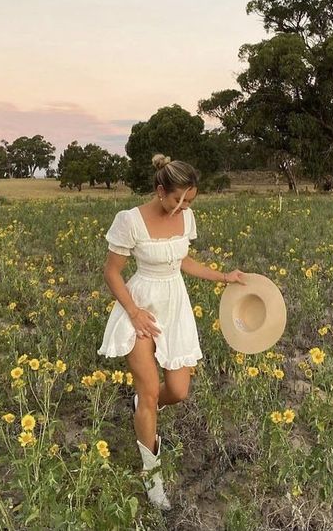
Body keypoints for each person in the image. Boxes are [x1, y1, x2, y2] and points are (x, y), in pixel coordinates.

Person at [98, 153, 245, 510]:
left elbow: (182, 261)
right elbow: (112, 272)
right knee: (149, 393)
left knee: (177, 391)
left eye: (189, 201)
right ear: (159, 190)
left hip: (175, 307)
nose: (182, 207)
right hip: (141, 310)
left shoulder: (186, 217)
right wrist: (133, 312)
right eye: (177, 200)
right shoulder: (129, 220)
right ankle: (153, 478)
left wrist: (224, 277)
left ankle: (141, 408)